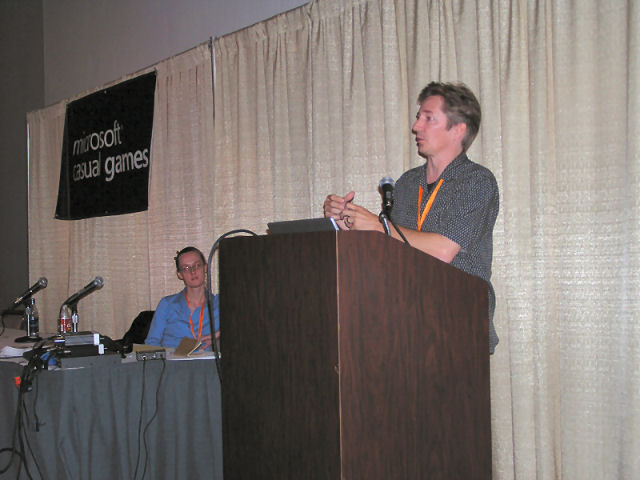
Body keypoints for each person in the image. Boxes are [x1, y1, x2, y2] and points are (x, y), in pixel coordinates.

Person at [323, 81, 499, 353]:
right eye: (418, 117)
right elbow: (391, 248)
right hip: (405, 322)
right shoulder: (407, 183)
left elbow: (443, 250)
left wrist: (378, 226)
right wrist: (347, 221)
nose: (416, 126)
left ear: (458, 130)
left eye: (429, 118)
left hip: (458, 324)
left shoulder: (476, 181)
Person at [145, 246, 220, 350]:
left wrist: (218, 334)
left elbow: (241, 325)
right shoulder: (167, 304)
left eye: (197, 265)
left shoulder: (220, 303)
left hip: (206, 359)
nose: (193, 271)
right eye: (186, 268)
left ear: (205, 268)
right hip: (171, 359)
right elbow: (151, 344)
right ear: (180, 274)